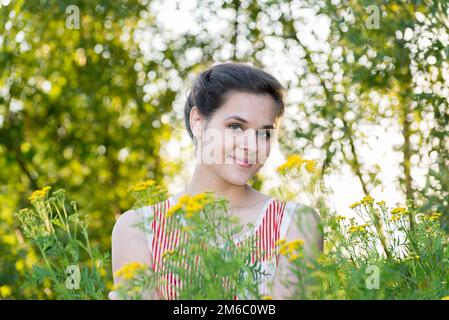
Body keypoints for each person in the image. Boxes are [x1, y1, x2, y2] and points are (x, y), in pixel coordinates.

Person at [110, 62, 323, 300]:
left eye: (264, 133)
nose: (251, 146)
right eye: (235, 127)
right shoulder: (137, 229)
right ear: (198, 122)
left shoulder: (296, 223)